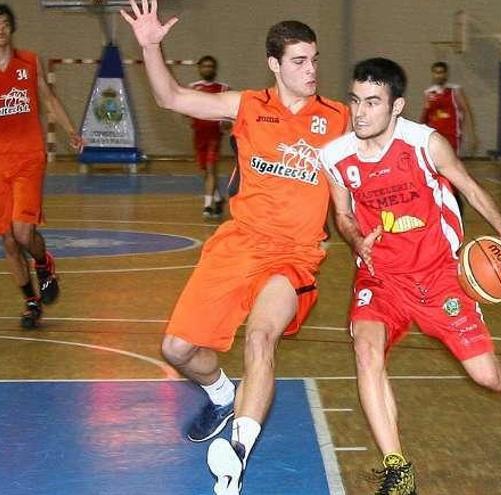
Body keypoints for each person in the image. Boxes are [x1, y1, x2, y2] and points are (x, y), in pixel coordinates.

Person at [121, 2, 348, 493]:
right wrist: (151, 45)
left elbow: (379, 158)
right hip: (239, 245)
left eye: (314, 60)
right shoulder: (247, 105)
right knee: (176, 349)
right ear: (274, 64)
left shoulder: (337, 118)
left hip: (293, 257)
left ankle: (237, 453)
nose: (311, 71)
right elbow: (170, 98)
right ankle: (222, 395)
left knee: (261, 338)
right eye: (299, 62)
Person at [320, 58, 501, 495]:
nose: (360, 112)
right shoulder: (336, 156)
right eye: (355, 100)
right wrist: (357, 241)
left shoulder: (425, 144)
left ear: (397, 107)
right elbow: (342, 214)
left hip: (439, 276)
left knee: (487, 376)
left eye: (373, 103)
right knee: (366, 353)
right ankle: (398, 468)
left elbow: (468, 187)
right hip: (381, 278)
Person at [0, 4, 83, 328]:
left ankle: (44, 261)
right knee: (7, 239)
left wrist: (70, 130)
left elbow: (48, 99)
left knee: (23, 233)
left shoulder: (29, 62)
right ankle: (31, 301)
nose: (1, 27)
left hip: (27, 156)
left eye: (6, 22)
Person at [189, 55, 230, 218]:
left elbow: (230, 112)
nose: (208, 69)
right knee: (205, 170)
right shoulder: (193, 88)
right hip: (199, 134)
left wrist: (226, 122)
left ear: (215, 69)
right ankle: (219, 199)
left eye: (210, 66)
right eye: (204, 66)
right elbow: (185, 109)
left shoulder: (223, 88)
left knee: (211, 168)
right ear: (199, 68)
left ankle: (207, 206)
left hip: (214, 135)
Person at [420, 61, 476, 156]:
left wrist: (472, 134)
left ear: (446, 74)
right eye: (436, 72)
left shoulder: (455, 90)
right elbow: (425, 115)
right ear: (433, 74)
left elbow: (466, 110)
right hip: (434, 134)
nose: (438, 75)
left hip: (452, 134)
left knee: (452, 162)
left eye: (441, 72)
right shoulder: (429, 93)